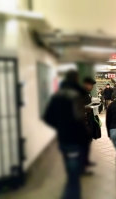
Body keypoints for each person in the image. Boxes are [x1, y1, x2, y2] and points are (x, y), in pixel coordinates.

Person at [43, 70, 88, 199]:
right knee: (74, 172)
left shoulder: (56, 96)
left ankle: (70, 192)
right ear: (76, 79)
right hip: (75, 139)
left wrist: (60, 127)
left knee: (70, 170)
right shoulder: (76, 96)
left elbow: (47, 117)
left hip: (63, 138)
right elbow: (80, 120)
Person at [83, 77, 97, 169]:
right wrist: (85, 109)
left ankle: (85, 161)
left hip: (88, 120)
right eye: (90, 85)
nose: (92, 87)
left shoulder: (87, 94)